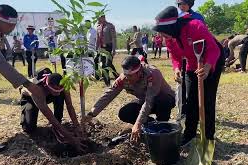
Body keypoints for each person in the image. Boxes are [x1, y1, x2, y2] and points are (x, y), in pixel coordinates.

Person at [0, 4, 84, 152]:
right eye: (9, 25)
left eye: (14, 25)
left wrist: (77, 127)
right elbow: (1, 63)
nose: (12, 29)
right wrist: (28, 84)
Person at [153, 6, 225, 145]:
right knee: (191, 100)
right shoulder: (170, 37)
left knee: (207, 99)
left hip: (212, 59)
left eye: (163, 33)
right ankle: (189, 134)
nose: (161, 37)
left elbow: (214, 49)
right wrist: (176, 68)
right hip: (193, 62)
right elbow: (175, 55)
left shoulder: (195, 26)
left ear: (171, 27)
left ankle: (208, 137)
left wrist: (208, 66)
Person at [84, 56, 175, 142]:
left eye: (130, 76)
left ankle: (162, 129)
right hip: (145, 101)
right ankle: (150, 125)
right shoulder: (124, 78)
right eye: (125, 75)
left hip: (162, 99)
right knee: (125, 112)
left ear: (139, 72)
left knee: (163, 102)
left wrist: (137, 123)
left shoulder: (153, 74)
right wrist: (92, 113)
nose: (127, 78)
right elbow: (109, 94)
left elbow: (149, 101)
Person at [20, 68, 84, 140]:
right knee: (29, 128)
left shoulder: (64, 84)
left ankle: (58, 122)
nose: (58, 92)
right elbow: (48, 114)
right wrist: (68, 136)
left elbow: (69, 105)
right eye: (56, 90)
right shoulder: (37, 89)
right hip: (30, 98)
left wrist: (77, 126)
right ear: (48, 85)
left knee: (59, 96)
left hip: (48, 93)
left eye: (60, 89)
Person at [96, 14, 119, 86]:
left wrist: (114, 49)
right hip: (102, 48)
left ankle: (109, 82)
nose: (98, 20)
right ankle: (109, 82)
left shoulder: (110, 26)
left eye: (99, 18)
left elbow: (113, 38)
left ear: (103, 18)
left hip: (109, 47)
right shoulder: (98, 27)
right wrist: (96, 49)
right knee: (105, 65)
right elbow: (97, 39)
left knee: (107, 65)